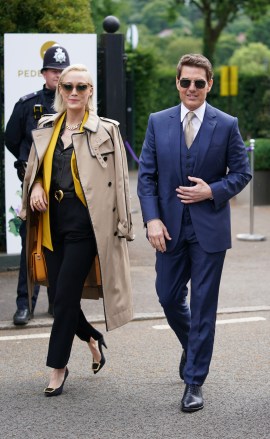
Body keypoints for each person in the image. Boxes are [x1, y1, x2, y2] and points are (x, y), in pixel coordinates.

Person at [137, 53, 252, 412]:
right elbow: (147, 178)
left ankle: (194, 381)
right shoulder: (158, 122)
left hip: (209, 231)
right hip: (167, 228)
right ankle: (193, 346)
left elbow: (242, 173)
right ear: (177, 83)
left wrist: (212, 191)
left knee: (203, 306)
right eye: (185, 82)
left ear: (209, 85)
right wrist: (152, 219)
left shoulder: (226, 123)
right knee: (168, 297)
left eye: (199, 83)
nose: (191, 88)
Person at [20, 64, 134, 396]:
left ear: (90, 92)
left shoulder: (105, 130)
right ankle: (91, 337)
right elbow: (34, 171)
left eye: (81, 87)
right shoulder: (46, 127)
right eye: (68, 86)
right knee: (60, 297)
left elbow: (121, 183)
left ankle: (58, 367)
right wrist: (36, 187)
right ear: (60, 90)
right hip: (51, 220)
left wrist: (124, 225)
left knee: (66, 296)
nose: (73, 92)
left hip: (86, 224)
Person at [5, 45, 70, 325]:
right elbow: (11, 139)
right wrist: (29, 171)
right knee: (30, 246)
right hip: (33, 187)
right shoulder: (27, 104)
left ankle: (57, 302)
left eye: (61, 70)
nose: (57, 76)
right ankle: (25, 304)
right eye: (53, 71)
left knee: (61, 245)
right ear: (44, 73)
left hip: (64, 189)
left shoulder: (73, 103)